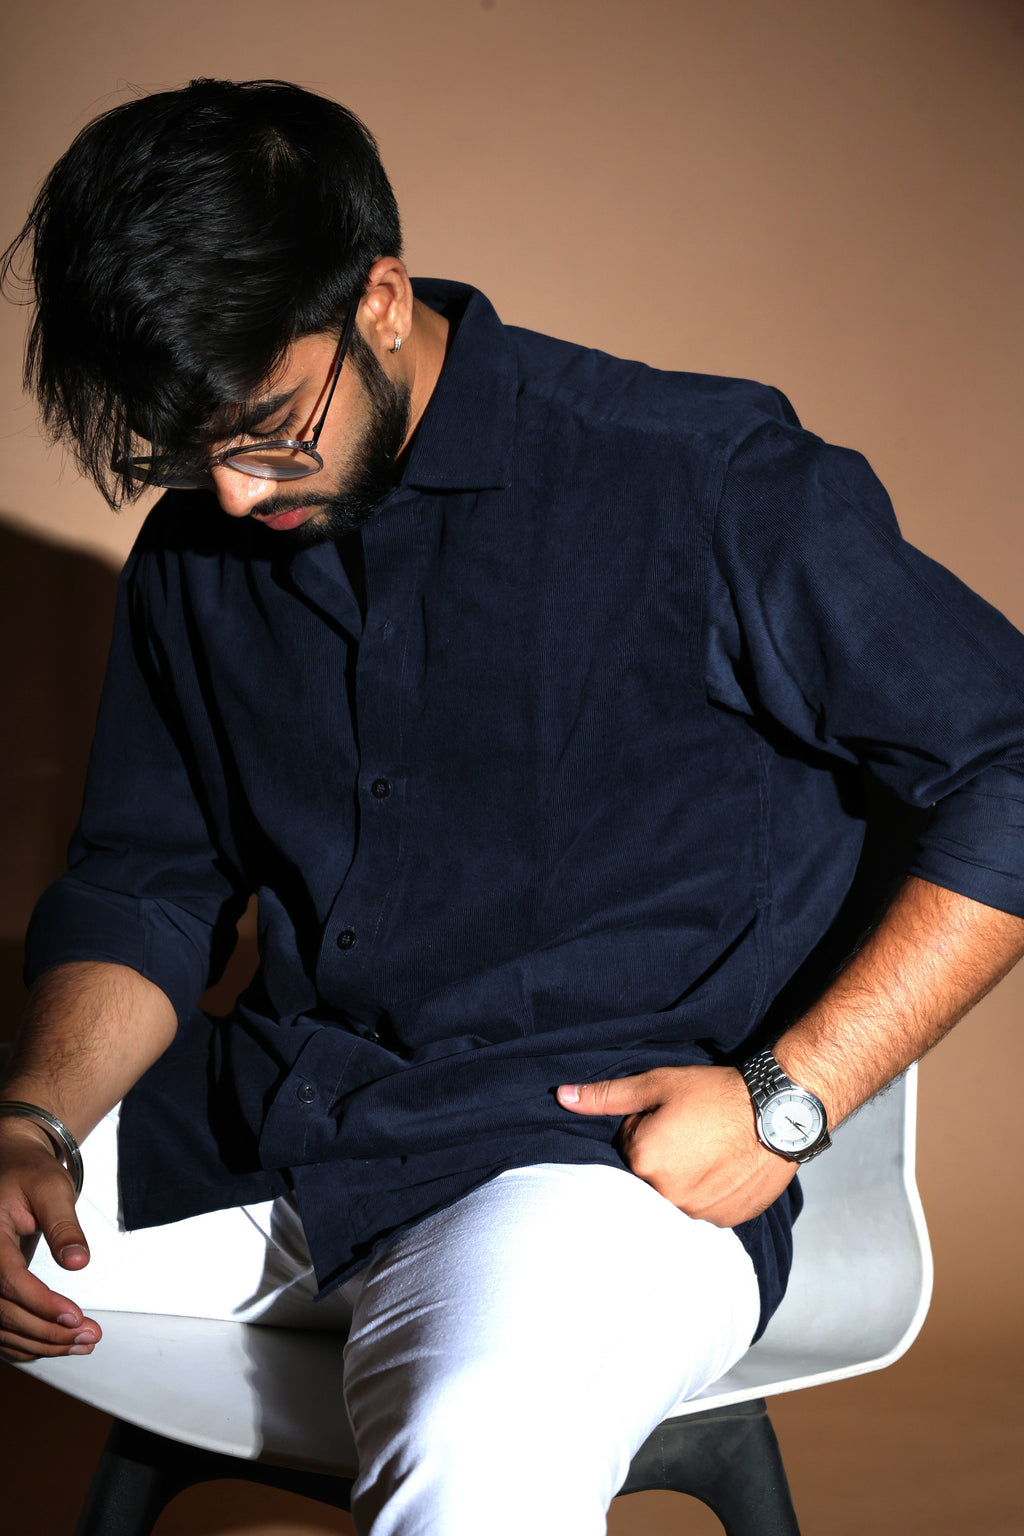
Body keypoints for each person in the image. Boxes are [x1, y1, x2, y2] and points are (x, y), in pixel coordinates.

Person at [1, 78, 1023, 1534]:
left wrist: (789, 1102)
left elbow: (1013, 763)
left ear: (381, 298)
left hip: (580, 1161)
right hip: (267, 1132)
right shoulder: (198, 550)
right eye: (184, 456)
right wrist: (34, 1120)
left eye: (268, 429)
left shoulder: (704, 478)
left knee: (478, 1467)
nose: (228, 497)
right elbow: (150, 881)